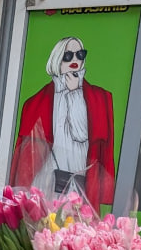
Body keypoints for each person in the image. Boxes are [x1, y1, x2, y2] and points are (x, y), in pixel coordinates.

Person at [9, 35, 115, 209]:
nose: (75, 59)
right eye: (68, 55)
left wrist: (74, 93)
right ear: (57, 58)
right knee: (42, 228)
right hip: (47, 179)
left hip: (80, 180)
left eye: (80, 54)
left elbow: (81, 134)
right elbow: (28, 154)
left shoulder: (99, 97)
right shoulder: (35, 102)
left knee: (76, 229)